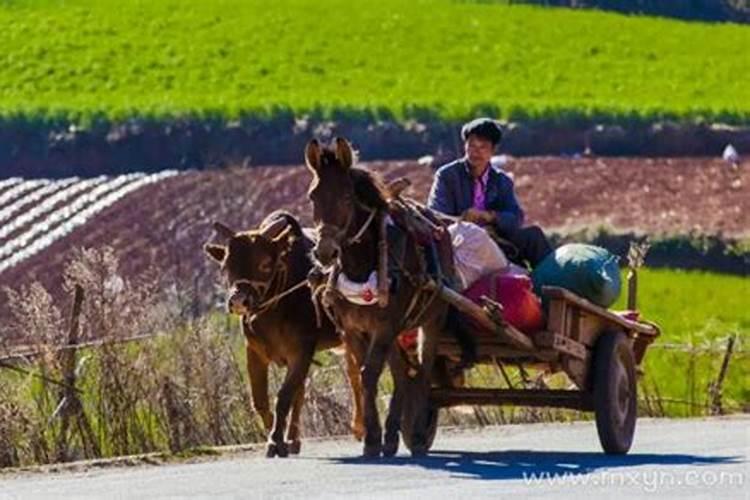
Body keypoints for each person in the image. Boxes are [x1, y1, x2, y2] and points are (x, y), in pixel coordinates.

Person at [427, 117, 552, 268]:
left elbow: (515, 218)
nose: (476, 152)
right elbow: (436, 215)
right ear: (464, 146)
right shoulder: (447, 175)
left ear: (493, 150)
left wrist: (490, 216)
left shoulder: (502, 180)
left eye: (483, 147)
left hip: (495, 238)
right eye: (471, 146)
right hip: (460, 240)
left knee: (533, 237)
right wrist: (464, 222)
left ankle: (549, 285)